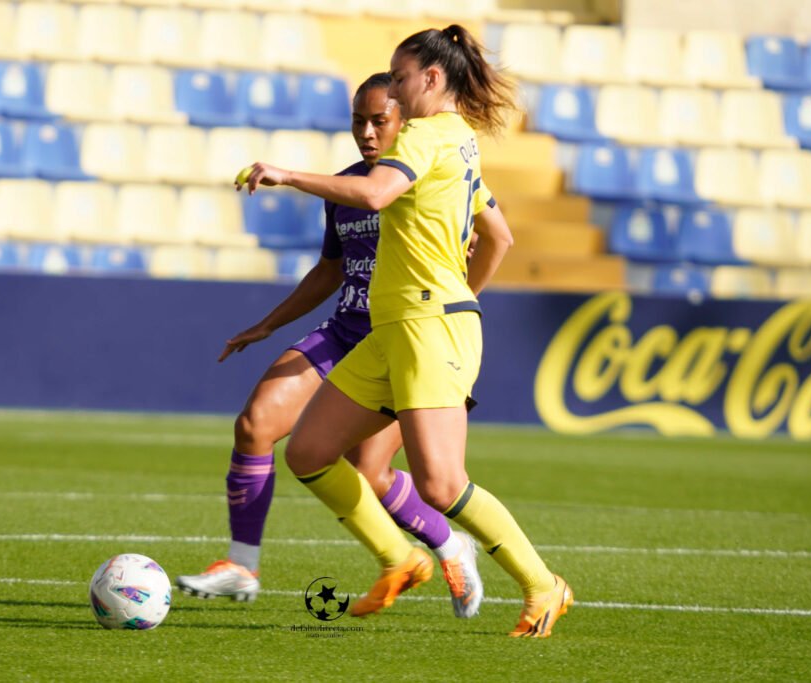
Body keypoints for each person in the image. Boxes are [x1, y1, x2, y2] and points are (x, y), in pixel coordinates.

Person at [237, 26, 573, 638]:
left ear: (432, 79)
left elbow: (374, 193)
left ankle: (543, 584)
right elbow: (499, 236)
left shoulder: (424, 135)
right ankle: (400, 557)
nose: (393, 87)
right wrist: (463, 294)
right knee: (309, 453)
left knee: (441, 484)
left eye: (398, 77)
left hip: (428, 329)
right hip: (395, 329)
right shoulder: (457, 139)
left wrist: (288, 175)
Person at [176, 73, 484, 619]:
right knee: (255, 424)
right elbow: (330, 271)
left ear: (407, 119)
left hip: (404, 342)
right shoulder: (345, 188)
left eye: (379, 121)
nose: (366, 132)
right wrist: (266, 325)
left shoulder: (435, 176)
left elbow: (494, 236)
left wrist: (454, 307)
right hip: (345, 333)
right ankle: (242, 565)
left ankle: (449, 545)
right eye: (357, 121)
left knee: (369, 470)